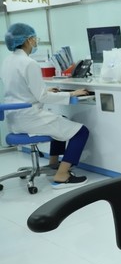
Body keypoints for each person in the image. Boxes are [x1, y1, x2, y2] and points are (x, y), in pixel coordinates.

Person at [2, 23, 90, 189]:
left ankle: (53, 164)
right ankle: (62, 175)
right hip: (29, 117)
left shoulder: (8, 61)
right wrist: (71, 94)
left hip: (15, 118)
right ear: (27, 40)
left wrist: (44, 90)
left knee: (61, 119)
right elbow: (42, 97)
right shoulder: (29, 63)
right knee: (81, 132)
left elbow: (19, 89)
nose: (36, 41)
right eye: (34, 38)